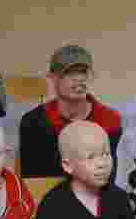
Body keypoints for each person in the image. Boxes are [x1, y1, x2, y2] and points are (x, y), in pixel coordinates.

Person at [19, 45, 122, 179]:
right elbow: (33, 180)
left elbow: (108, 177)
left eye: (83, 72)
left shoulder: (110, 119)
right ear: (52, 77)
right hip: (49, 197)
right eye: (69, 72)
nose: (79, 79)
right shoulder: (33, 122)